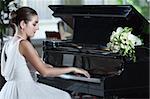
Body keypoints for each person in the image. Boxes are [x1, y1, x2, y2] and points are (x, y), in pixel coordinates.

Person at [0, 7, 90, 99]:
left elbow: (25, 67)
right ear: (23, 24)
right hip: (24, 90)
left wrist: (48, 66)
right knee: (64, 96)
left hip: (10, 89)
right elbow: (45, 72)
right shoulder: (24, 44)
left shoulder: (9, 43)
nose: (38, 27)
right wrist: (73, 69)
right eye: (34, 24)